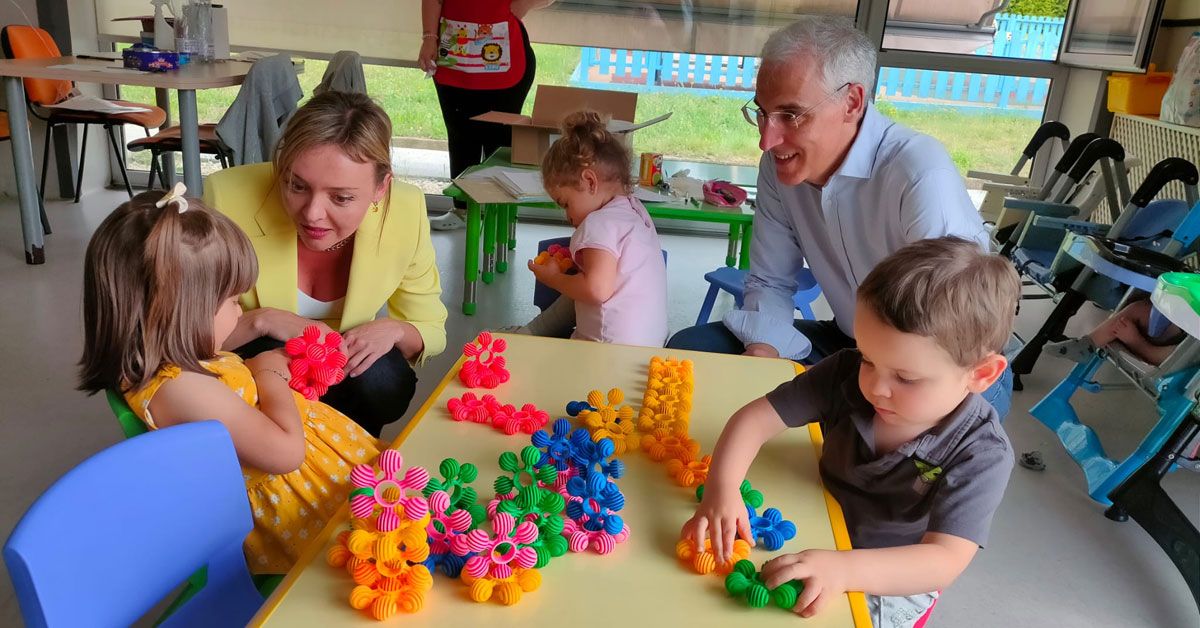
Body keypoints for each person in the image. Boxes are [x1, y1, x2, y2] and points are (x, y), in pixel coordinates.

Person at [663, 17, 1013, 417]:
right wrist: (762, 355)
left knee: (854, 451)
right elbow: (771, 280)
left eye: (791, 115)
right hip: (854, 346)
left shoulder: (918, 173)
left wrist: (875, 390)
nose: (766, 139)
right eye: (762, 112)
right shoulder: (778, 168)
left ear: (852, 103)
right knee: (693, 352)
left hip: (941, 372)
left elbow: (952, 327)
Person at [682, 237, 1019, 627]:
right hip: (816, 520)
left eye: (906, 378)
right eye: (868, 358)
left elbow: (943, 560)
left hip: (887, 571)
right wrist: (723, 489)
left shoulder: (981, 452)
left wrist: (845, 570)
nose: (876, 386)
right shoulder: (844, 374)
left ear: (981, 374)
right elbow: (753, 420)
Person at [78, 190, 381, 574]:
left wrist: (264, 336)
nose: (241, 311)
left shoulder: (169, 354)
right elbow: (285, 454)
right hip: (305, 512)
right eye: (233, 301)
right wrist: (268, 371)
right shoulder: (181, 389)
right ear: (181, 314)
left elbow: (220, 349)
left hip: (325, 477)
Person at [205, 91, 448, 438]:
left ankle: (346, 455)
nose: (312, 213)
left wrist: (397, 330)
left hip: (346, 370)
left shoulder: (405, 210)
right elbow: (187, 335)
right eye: (296, 185)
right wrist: (264, 320)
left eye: (342, 197)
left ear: (381, 188)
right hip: (253, 359)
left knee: (382, 378)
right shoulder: (228, 197)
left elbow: (431, 327)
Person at [517, 110, 669, 347]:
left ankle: (528, 336)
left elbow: (596, 289)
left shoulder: (597, 223)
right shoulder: (634, 209)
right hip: (650, 344)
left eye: (565, 203)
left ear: (590, 181)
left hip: (607, 350)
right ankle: (533, 331)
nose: (567, 216)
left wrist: (553, 278)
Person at [418, 0, 557, 230]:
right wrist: (428, 37)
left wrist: (519, 6)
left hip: (505, 57)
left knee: (500, 142)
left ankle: (500, 216)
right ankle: (462, 209)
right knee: (460, 133)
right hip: (454, 53)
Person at [1045, 299, 1184, 366]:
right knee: (1139, 308)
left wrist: (1134, 339)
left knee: (1185, 354)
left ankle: (1135, 342)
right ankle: (1086, 345)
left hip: (1182, 351)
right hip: (1182, 323)